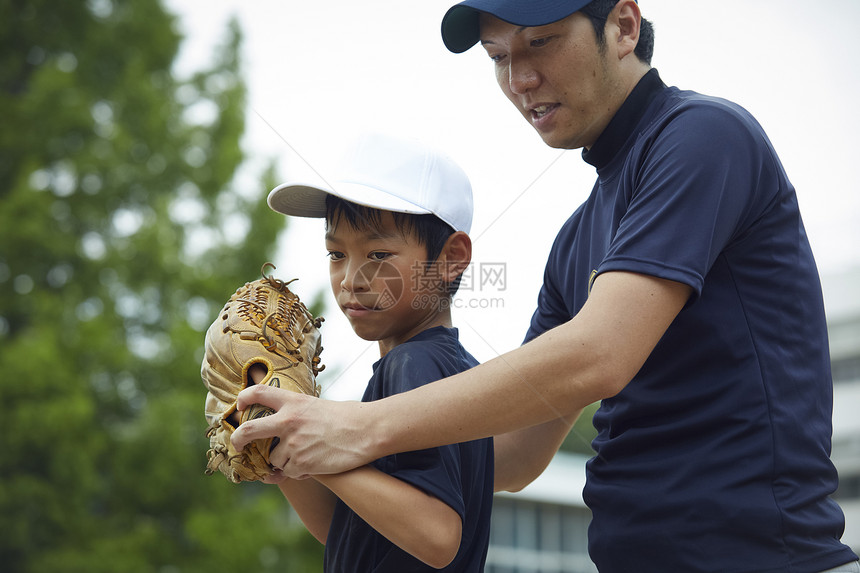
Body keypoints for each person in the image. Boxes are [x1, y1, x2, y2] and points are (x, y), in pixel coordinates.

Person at [233, 1, 859, 571]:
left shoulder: (704, 136)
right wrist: (288, 437)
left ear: (623, 27)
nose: (519, 80)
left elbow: (600, 355)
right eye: (500, 57)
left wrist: (352, 428)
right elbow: (508, 458)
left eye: (542, 42)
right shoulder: (574, 240)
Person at [249, 132, 493, 572]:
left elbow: (437, 537)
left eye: (379, 253)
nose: (351, 278)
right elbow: (352, 529)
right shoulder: (443, 368)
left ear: (451, 258)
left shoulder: (415, 364)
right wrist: (287, 456)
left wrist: (320, 453)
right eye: (336, 253)